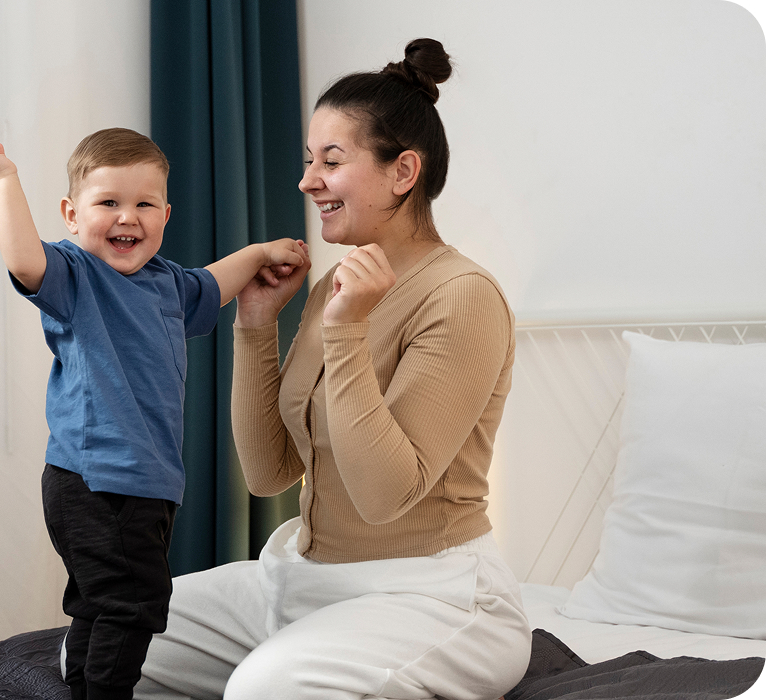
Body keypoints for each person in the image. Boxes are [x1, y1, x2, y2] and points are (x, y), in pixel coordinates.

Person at [135, 38, 532, 700]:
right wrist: (257, 323)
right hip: (302, 576)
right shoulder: (340, 285)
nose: (307, 180)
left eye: (331, 161)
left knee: (265, 689)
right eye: (307, 160)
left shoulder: (462, 295)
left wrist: (348, 330)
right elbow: (269, 474)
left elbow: (384, 496)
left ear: (404, 171)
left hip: (429, 591)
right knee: (101, 644)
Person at [0, 124, 310, 700]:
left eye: (144, 204)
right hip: (96, 481)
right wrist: (5, 179)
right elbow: (24, 260)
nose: (128, 217)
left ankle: (83, 687)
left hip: (145, 484)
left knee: (104, 601)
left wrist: (262, 254)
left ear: (166, 216)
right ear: (72, 215)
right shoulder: (76, 275)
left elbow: (214, 283)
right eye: (109, 203)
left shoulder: (167, 284)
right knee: (135, 603)